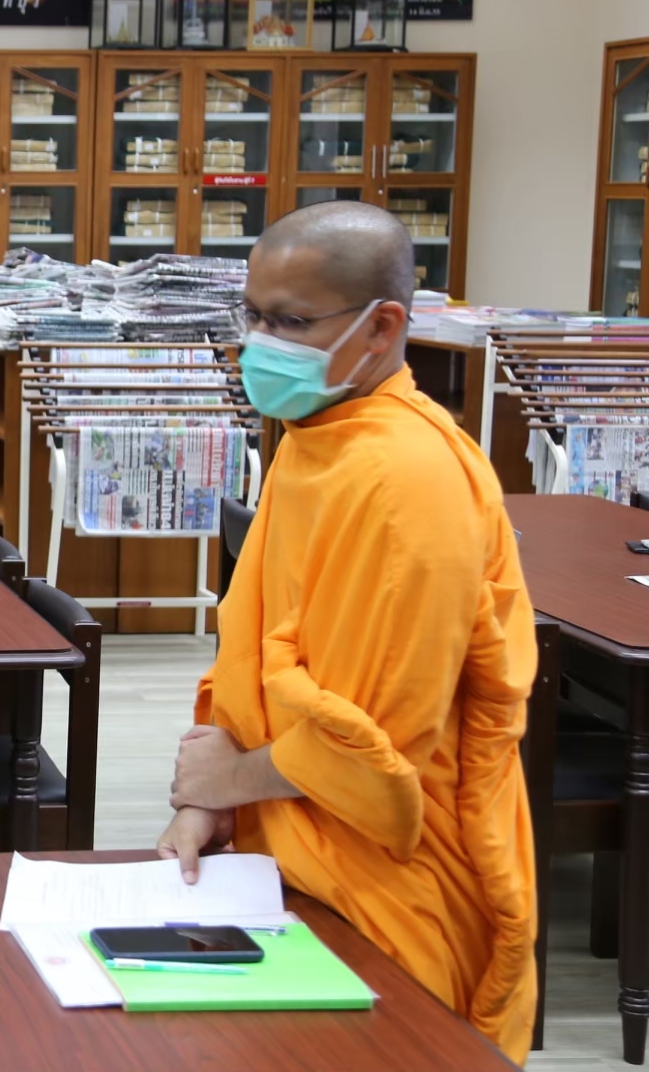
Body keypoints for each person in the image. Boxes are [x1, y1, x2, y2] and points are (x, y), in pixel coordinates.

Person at [158, 201, 536, 1061]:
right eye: (252, 315)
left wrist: (230, 778)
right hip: (282, 837)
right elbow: (257, 641)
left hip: (387, 871)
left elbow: (379, 745)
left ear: (383, 326)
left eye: (290, 322)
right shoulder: (319, 430)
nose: (260, 343)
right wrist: (209, 797)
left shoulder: (406, 481)